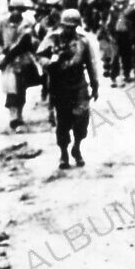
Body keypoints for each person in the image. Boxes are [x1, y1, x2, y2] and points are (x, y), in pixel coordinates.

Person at [36, 9, 100, 169]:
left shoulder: (83, 42)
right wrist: (49, 63)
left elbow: (91, 65)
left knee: (82, 118)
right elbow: (40, 55)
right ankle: (64, 153)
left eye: (73, 27)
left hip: (79, 84)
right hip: (60, 85)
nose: (70, 29)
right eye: (67, 26)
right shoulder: (52, 38)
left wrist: (95, 84)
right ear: (62, 25)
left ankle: (76, 148)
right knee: (63, 121)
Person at [0, 0, 37, 132]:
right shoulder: (3, 23)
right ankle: (14, 118)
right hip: (9, 61)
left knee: (21, 89)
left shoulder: (28, 24)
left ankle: (19, 115)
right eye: (13, 9)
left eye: (19, 10)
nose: (16, 12)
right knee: (11, 90)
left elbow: (34, 42)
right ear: (10, 9)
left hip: (24, 60)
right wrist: (0, 54)